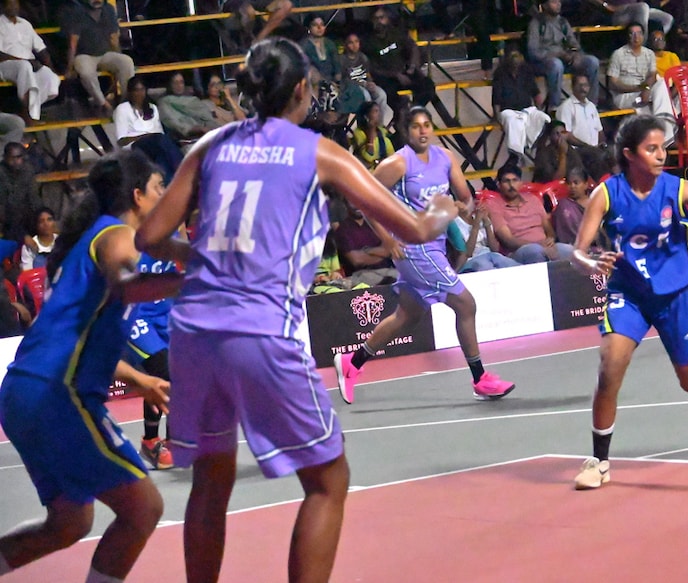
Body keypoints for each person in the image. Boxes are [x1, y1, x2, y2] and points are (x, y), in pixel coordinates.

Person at [134, 38, 458, 583]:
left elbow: (148, 235)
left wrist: (200, 258)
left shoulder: (210, 145)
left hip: (194, 329)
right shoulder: (318, 152)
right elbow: (418, 228)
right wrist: (443, 210)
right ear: (303, 90)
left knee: (211, 484)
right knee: (328, 481)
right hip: (260, 330)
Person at [0, 151, 181, 581]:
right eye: (159, 188)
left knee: (69, 524)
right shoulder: (117, 235)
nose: (164, 195)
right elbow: (126, 283)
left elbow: (68, 335)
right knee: (143, 509)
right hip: (55, 395)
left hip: (24, 391)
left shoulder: (86, 242)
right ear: (137, 197)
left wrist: (138, 378)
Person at [569, 115, 688, 490]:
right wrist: (591, 261)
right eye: (652, 149)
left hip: (677, 293)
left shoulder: (679, 189)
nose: (662, 155)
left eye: (663, 147)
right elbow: (577, 253)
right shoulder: (607, 194)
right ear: (630, 154)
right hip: (628, 293)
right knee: (610, 362)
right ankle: (598, 460)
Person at [333, 106, 516, 405]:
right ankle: (480, 379)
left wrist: (461, 208)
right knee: (466, 305)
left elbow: (465, 198)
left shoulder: (445, 158)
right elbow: (363, 200)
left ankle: (352, 363)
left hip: (435, 245)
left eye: (427, 125)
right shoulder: (398, 164)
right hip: (411, 247)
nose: (422, 130)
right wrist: (386, 239)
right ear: (406, 132)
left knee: (407, 315)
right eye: (416, 126)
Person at [124, 247, 179, 471]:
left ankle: (171, 440)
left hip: (166, 312)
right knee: (164, 370)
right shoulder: (127, 235)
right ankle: (150, 440)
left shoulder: (172, 235)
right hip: (136, 316)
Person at [62, 0, 135, 117]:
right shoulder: (77, 12)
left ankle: (126, 103)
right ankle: (103, 103)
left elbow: (114, 38)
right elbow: (73, 43)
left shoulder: (109, 9)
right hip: (84, 55)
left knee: (126, 62)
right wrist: (70, 68)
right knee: (86, 72)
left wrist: (118, 56)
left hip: (105, 53)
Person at [526, 0, 601, 110]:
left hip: (566, 60)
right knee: (556, 64)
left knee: (592, 61)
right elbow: (533, 52)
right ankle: (555, 106)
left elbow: (575, 45)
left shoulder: (563, 22)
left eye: (559, 1)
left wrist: (575, 55)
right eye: (553, 2)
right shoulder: (536, 23)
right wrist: (557, 54)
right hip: (543, 63)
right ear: (545, 5)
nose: (558, 4)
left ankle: (591, 104)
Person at [113, 76, 185, 181]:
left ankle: (170, 187)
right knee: (160, 140)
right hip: (135, 146)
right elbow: (121, 141)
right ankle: (185, 172)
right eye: (136, 90)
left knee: (162, 158)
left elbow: (160, 133)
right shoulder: (123, 109)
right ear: (130, 92)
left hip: (155, 144)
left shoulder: (152, 108)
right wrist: (144, 136)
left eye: (142, 90)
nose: (139, 93)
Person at [0, 0, 61, 122]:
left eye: (15, 4)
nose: (13, 7)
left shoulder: (25, 24)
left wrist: (49, 68)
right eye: (10, 4)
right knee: (24, 67)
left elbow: (41, 48)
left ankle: (29, 111)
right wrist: (23, 60)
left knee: (52, 79)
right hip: (6, 65)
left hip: (29, 63)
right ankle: (28, 115)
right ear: (3, 6)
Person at [19, 206, 54, 270]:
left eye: (49, 220)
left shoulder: (61, 241)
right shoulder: (28, 245)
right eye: (41, 221)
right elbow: (27, 271)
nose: (46, 224)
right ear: (36, 225)